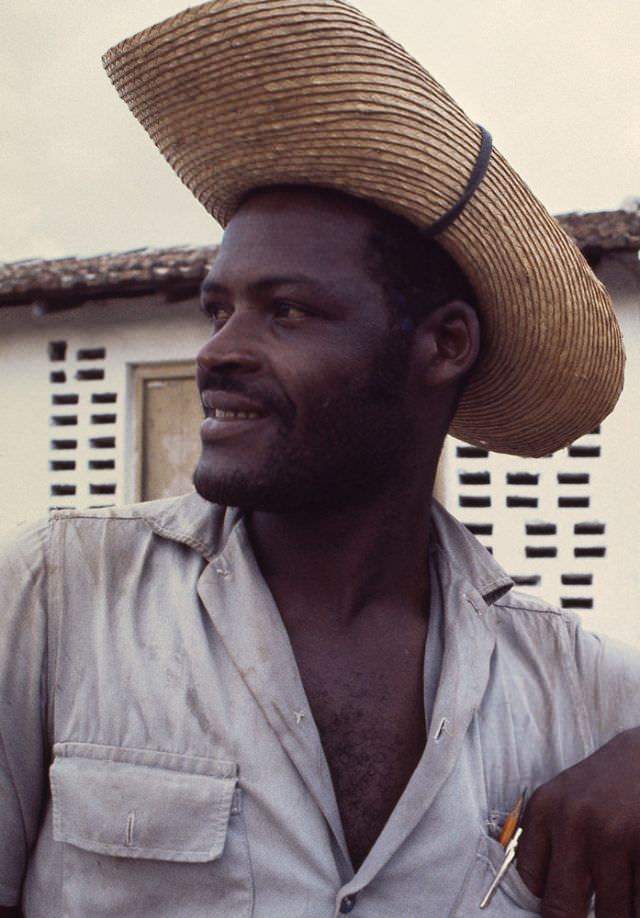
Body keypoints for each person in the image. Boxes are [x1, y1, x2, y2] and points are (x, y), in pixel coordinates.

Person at [1, 2, 639, 916]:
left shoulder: (581, 692)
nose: (218, 351)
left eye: (287, 310)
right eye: (217, 309)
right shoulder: (57, 596)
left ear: (444, 345)